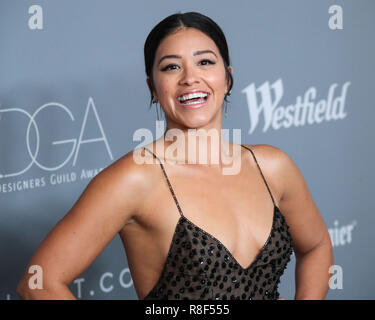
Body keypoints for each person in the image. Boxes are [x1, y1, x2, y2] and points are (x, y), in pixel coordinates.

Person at [16, 11, 333, 300]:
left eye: (205, 62)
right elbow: (38, 283)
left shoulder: (272, 166)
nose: (190, 78)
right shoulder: (135, 178)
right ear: (153, 88)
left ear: (228, 77)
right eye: (171, 67)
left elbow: (317, 245)